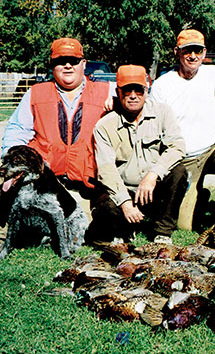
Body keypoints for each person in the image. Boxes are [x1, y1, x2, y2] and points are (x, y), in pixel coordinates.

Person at [1, 37, 112, 217]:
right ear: (52, 66)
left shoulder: (106, 92)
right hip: (44, 183)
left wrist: (117, 103)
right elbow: (16, 131)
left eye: (73, 61)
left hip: (89, 185)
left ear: (84, 64)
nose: (67, 66)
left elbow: (137, 99)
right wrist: (15, 162)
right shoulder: (36, 93)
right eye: (61, 61)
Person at [149, 29, 215, 231]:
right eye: (187, 50)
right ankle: (199, 194)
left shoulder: (214, 73)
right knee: (184, 225)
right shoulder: (162, 85)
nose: (193, 56)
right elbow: (153, 126)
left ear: (204, 53)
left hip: (214, 148)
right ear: (176, 52)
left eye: (198, 51)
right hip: (184, 157)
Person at [90, 65, 187, 245]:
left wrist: (153, 174)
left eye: (139, 90)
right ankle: (124, 230)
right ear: (118, 92)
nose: (133, 95)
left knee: (179, 172)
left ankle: (162, 233)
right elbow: (106, 169)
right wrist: (125, 202)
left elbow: (177, 147)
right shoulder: (104, 125)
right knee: (105, 205)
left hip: (152, 189)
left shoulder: (163, 112)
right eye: (127, 90)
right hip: (123, 190)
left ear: (147, 89)